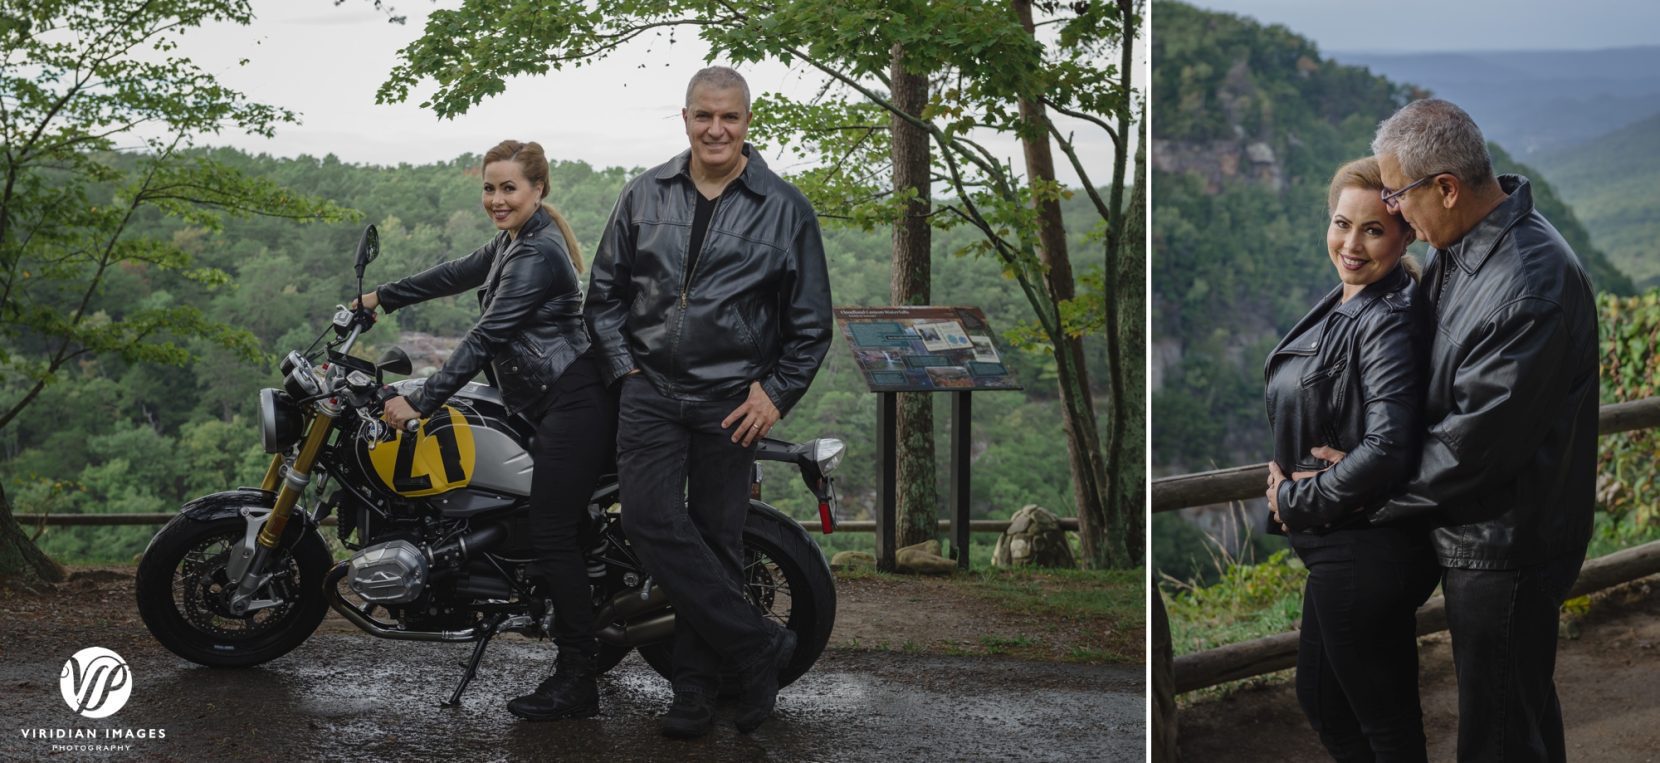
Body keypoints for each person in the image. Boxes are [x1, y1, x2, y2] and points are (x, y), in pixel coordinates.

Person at [1307, 99, 1599, 762]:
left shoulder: (1529, 285)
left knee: (1495, 734)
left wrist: (1346, 490)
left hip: (1507, 543)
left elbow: (1469, 451)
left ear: (1446, 187)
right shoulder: (1462, 243)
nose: (1394, 211)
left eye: (1398, 194)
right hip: (1479, 529)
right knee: (1517, 712)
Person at [583, 65, 832, 738]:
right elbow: (602, 299)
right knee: (647, 519)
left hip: (733, 400)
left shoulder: (785, 208)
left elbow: (811, 325)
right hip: (651, 392)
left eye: (730, 117)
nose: (716, 129)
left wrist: (775, 393)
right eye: (704, 116)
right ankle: (756, 645)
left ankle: (694, 692)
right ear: (685, 118)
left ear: (748, 122)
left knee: (719, 542)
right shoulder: (643, 194)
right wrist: (625, 372)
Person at [355, 139, 617, 722]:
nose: (496, 200)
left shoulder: (538, 254)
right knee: (533, 517)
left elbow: (486, 337)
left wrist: (421, 397)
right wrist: (380, 299)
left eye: (509, 189)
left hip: (572, 403)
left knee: (551, 532)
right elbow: (457, 272)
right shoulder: (514, 240)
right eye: (489, 188)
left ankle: (578, 677)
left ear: (538, 190)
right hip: (543, 401)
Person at [1264, 156, 1441, 761]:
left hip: (1368, 548)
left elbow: (1389, 444)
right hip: (1339, 546)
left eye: (1373, 230)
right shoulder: (1350, 301)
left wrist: (1295, 499)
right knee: (1325, 704)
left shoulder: (1386, 317)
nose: (1352, 244)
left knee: (1384, 726)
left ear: (1405, 233)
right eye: (1343, 224)